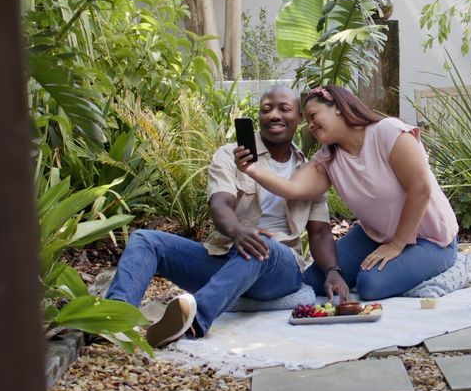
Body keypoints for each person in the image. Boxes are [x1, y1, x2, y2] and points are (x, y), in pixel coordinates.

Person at [104, 86, 336, 348]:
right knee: (146, 240)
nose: (274, 115)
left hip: (279, 267)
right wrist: (238, 232)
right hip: (224, 256)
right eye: (266, 109)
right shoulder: (230, 155)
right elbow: (220, 205)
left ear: (299, 118)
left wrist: (333, 270)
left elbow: (320, 232)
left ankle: (193, 321)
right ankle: (113, 318)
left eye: (284, 109)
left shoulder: (309, 170)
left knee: (261, 247)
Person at [235, 85, 458, 301]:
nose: (310, 125)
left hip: (430, 239)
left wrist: (396, 245)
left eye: (314, 115)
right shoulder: (328, 158)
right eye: (308, 121)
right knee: (314, 279)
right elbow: (293, 189)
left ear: (338, 107)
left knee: (370, 285)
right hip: (376, 236)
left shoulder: (388, 132)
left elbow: (420, 189)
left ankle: (446, 265)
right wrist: (251, 169)